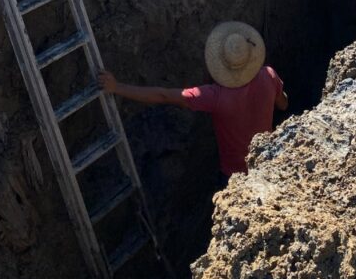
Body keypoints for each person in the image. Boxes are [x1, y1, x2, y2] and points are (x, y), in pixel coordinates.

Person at [98, 21, 288, 183]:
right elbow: (283, 104)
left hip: (235, 175)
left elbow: (164, 96)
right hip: (266, 163)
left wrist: (117, 87)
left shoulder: (215, 96)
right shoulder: (268, 75)